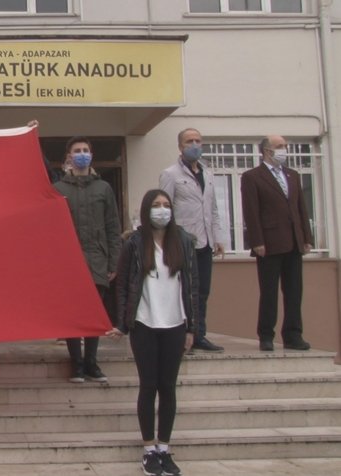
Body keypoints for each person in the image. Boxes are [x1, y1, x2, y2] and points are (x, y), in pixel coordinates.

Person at [107, 189, 197, 476]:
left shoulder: (183, 241)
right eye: (156, 205)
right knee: (149, 386)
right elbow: (122, 286)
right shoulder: (134, 243)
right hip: (144, 323)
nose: (162, 210)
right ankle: (148, 449)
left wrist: (192, 327)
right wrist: (122, 322)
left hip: (175, 324)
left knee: (168, 388)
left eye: (166, 205)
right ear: (147, 211)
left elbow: (193, 287)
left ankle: (164, 448)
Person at [53, 136, 121, 383]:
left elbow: (113, 227)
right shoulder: (59, 190)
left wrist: (113, 262)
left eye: (85, 150)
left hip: (97, 261)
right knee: (74, 314)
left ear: (91, 155)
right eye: (77, 151)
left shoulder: (103, 189)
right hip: (70, 263)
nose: (82, 154)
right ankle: (77, 365)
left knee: (95, 314)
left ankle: (92, 363)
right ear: (69, 157)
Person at [240, 135, 313, 351]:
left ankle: (293, 335)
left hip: (293, 242)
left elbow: (301, 209)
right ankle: (266, 335)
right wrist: (257, 241)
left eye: (285, 146)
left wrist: (306, 238)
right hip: (269, 243)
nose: (284, 150)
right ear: (266, 151)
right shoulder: (252, 177)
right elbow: (251, 212)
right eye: (279, 147)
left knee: (294, 291)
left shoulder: (292, 175)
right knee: (269, 291)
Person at [159, 128, 226, 353]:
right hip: (183, 243)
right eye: (190, 141)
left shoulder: (207, 173)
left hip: (205, 242)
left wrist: (218, 237)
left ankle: (199, 335)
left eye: (198, 141)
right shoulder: (170, 174)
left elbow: (213, 209)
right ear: (180, 146)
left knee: (202, 291)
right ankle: (180, 335)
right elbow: (164, 208)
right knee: (184, 291)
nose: (195, 145)